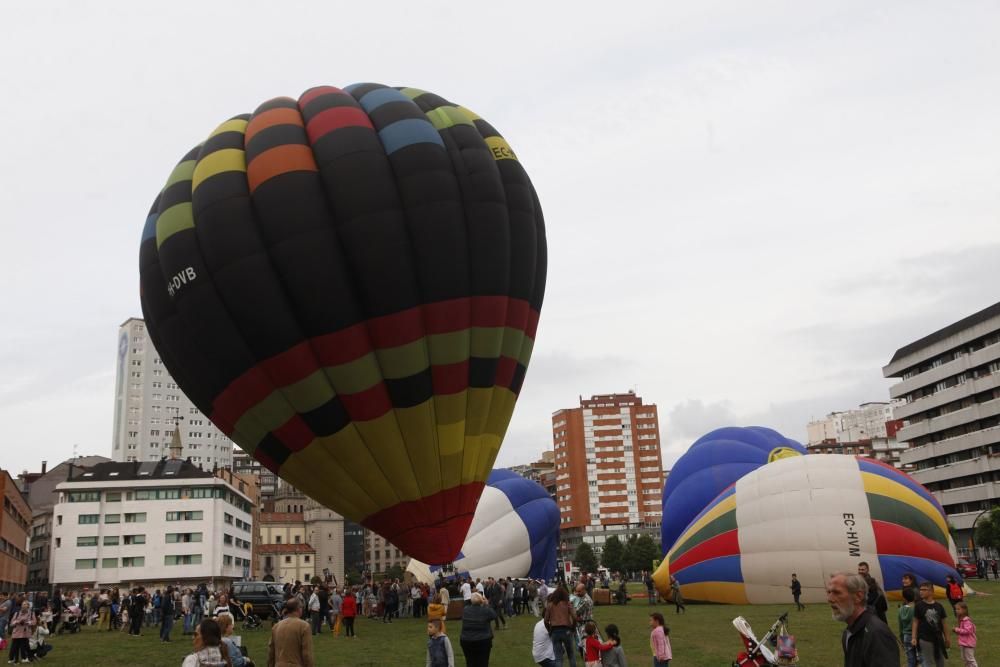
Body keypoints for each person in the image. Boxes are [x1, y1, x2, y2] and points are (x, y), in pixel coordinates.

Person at [826, 571, 898, 667]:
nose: (829, 599)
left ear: (858, 596)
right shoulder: (850, 631)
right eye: (829, 592)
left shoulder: (876, 633)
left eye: (837, 592)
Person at [267, 598, 313, 667]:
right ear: (299, 608)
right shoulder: (304, 626)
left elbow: (271, 652)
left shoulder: (276, 626)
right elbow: (306, 653)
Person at [913, 581, 949, 667]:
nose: (921, 591)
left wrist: (947, 638)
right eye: (920, 589)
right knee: (927, 662)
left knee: (940, 661)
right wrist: (914, 637)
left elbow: (944, 623)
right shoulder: (918, 606)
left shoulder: (939, 606)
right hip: (924, 638)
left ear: (931, 591)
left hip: (938, 638)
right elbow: (915, 622)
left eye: (924, 589)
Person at [459, 593, 496, 667]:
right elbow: (494, 615)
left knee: (470, 662)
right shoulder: (485, 610)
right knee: (483, 662)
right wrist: (486, 604)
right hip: (483, 640)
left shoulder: (466, 609)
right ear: (481, 600)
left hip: (466, 640)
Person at [545, 586, 577, 667]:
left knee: (558, 658)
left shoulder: (550, 605)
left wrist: (549, 630)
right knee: (571, 655)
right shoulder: (567, 604)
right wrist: (573, 628)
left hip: (555, 631)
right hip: (567, 630)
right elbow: (575, 617)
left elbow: (546, 621)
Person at [952, 601, 977, 667]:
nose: (956, 610)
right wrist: (957, 631)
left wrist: (957, 629)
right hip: (964, 643)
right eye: (956, 609)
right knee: (965, 659)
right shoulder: (961, 620)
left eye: (958, 609)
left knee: (970, 659)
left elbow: (968, 631)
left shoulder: (966, 620)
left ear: (964, 610)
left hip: (968, 643)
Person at [899, 587, 917, 667]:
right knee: (920, 658)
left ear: (904, 598)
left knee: (910, 659)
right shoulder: (916, 608)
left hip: (906, 636)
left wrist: (901, 638)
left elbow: (900, 626)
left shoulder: (901, 610)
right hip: (916, 636)